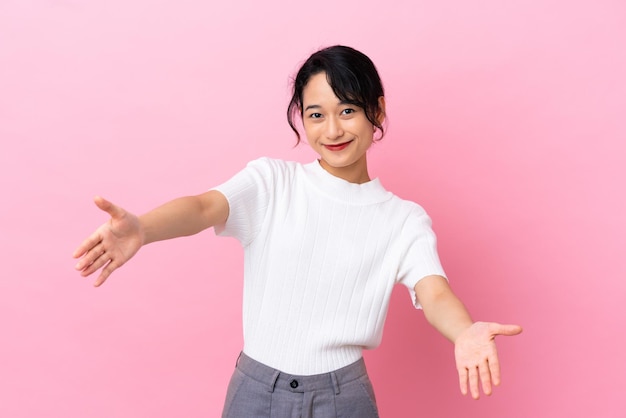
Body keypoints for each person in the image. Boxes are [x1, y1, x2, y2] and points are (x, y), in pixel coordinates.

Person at [73, 45, 522, 417]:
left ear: (377, 110)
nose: (332, 130)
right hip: (255, 391)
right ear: (301, 118)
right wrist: (143, 229)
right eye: (315, 115)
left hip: (343, 398)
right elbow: (205, 206)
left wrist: (463, 332)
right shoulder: (273, 183)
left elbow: (435, 292)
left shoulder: (402, 219)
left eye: (347, 110)